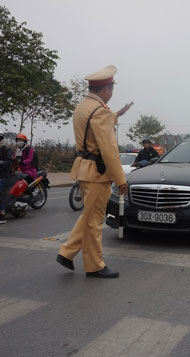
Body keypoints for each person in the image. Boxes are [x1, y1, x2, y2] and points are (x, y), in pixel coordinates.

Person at [56, 65, 133, 279]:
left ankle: (67, 252)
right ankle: (94, 265)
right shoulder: (101, 111)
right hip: (98, 173)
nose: (111, 93)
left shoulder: (83, 107)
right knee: (94, 220)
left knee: (89, 215)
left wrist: (116, 115)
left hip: (84, 168)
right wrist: (121, 180)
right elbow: (110, 151)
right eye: (111, 89)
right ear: (106, 89)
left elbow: (95, 124)